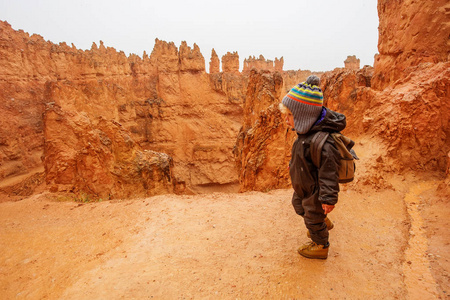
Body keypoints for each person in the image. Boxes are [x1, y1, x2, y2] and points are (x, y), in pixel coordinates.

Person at [279, 75, 345, 259]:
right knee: (298, 206)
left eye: (290, 116)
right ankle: (321, 222)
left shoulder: (322, 142)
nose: (286, 120)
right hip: (305, 187)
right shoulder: (305, 133)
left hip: (316, 191)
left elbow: (328, 172)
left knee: (312, 217)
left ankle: (320, 244)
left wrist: (328, 198)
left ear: (303, 116)